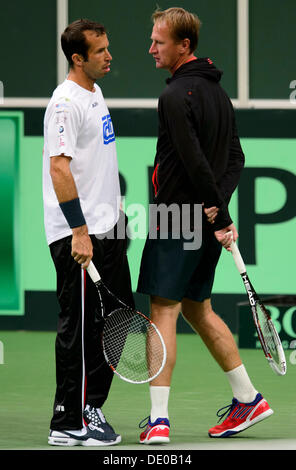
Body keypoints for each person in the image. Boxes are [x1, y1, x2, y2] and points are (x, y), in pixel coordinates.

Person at [137, 7, 273, 443]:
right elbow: (236, 159)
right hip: (203, 219)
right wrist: (218, 210)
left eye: (159, 41)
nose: (151, 48)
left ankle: (158, 421)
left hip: (176, 217)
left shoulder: (175, 96)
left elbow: (196, 162)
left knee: (162, 312)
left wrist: (221, 211)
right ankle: (249, 398)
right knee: (199, 308)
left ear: (184, 46)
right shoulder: (219, 94)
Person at [43, 19, 134, 446]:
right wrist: (80, 231)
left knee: (118, 322)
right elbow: (59, 168)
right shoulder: (65, 102)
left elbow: (94, 165)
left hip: (107, 228)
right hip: (79, 235)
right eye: (100, 51)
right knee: (79, 326)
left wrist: (115, 217)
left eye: (107, 47)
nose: (109, 55)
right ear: (78, 58)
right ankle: (67, 420)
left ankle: (91, 407)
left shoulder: (94, 93)